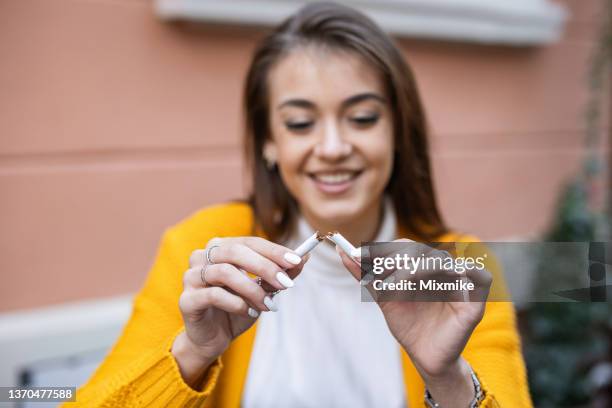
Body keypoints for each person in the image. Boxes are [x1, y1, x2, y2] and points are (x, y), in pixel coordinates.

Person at [66, 2, 532, 407]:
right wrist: (192, 352)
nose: (331, 147)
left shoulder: (458, 267)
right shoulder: (205, 247)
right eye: (300, 123)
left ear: (397, 132)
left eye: (362, 118)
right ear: (269, 141)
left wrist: (448, 379)